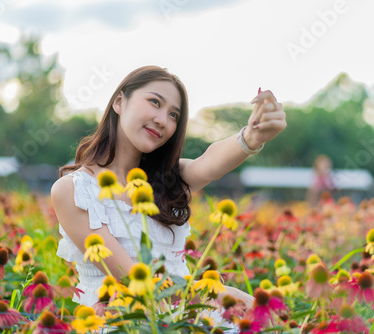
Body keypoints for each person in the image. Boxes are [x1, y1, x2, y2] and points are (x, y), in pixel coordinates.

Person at [51, 65, 287, 312]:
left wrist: (252, 136)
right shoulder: (74, 191)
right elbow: (133, 279)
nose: (162, 120)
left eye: (174, 115)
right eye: (155, 102)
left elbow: (207, 164)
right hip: (121, 323)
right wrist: (216, 292)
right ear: (119, 102)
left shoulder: (167, 181)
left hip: (184, 318)